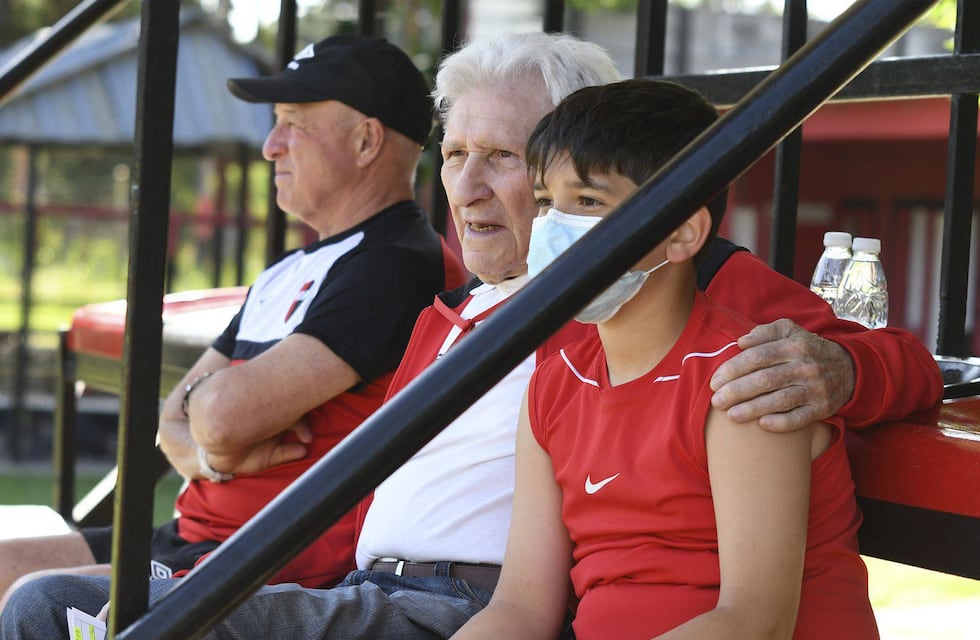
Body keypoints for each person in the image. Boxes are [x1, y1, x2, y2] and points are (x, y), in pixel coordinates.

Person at [1, 31, 937, 640]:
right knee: (56, 607)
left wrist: (844, 367)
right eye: (455, 155)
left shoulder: (681, 292)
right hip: (366, 584)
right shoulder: (457, 316)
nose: (471, 184)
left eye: (504, 158)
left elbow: (900, 361)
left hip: (451, 603)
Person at [0, 34, 464, 608]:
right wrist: (217, 440)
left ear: (366, 140)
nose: (271, 146)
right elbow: (172, 423)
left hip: (264, 561)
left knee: (37, 601)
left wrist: (213, 425)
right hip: (193, 537)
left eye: (294, 122)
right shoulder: (292, 268)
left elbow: (216, 417)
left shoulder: (397, 261)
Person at [452, 78, 879, 640]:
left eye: (588, 202)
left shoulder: (744, 380)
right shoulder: (555, 386)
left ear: (682, 232)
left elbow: (753, 620)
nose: (554, 228)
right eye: (546, 201)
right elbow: (521, 609)